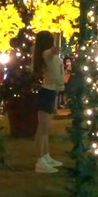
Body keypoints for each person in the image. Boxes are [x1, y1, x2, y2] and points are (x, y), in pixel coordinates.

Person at [32, 31, 64, 174]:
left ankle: (45, 155)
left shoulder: (47, 55)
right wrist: (53, 50)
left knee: (46, 128)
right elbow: (49, 53)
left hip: (52, 91)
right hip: (47, 92)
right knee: (42, 128)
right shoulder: (46, 54)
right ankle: (40, 160)